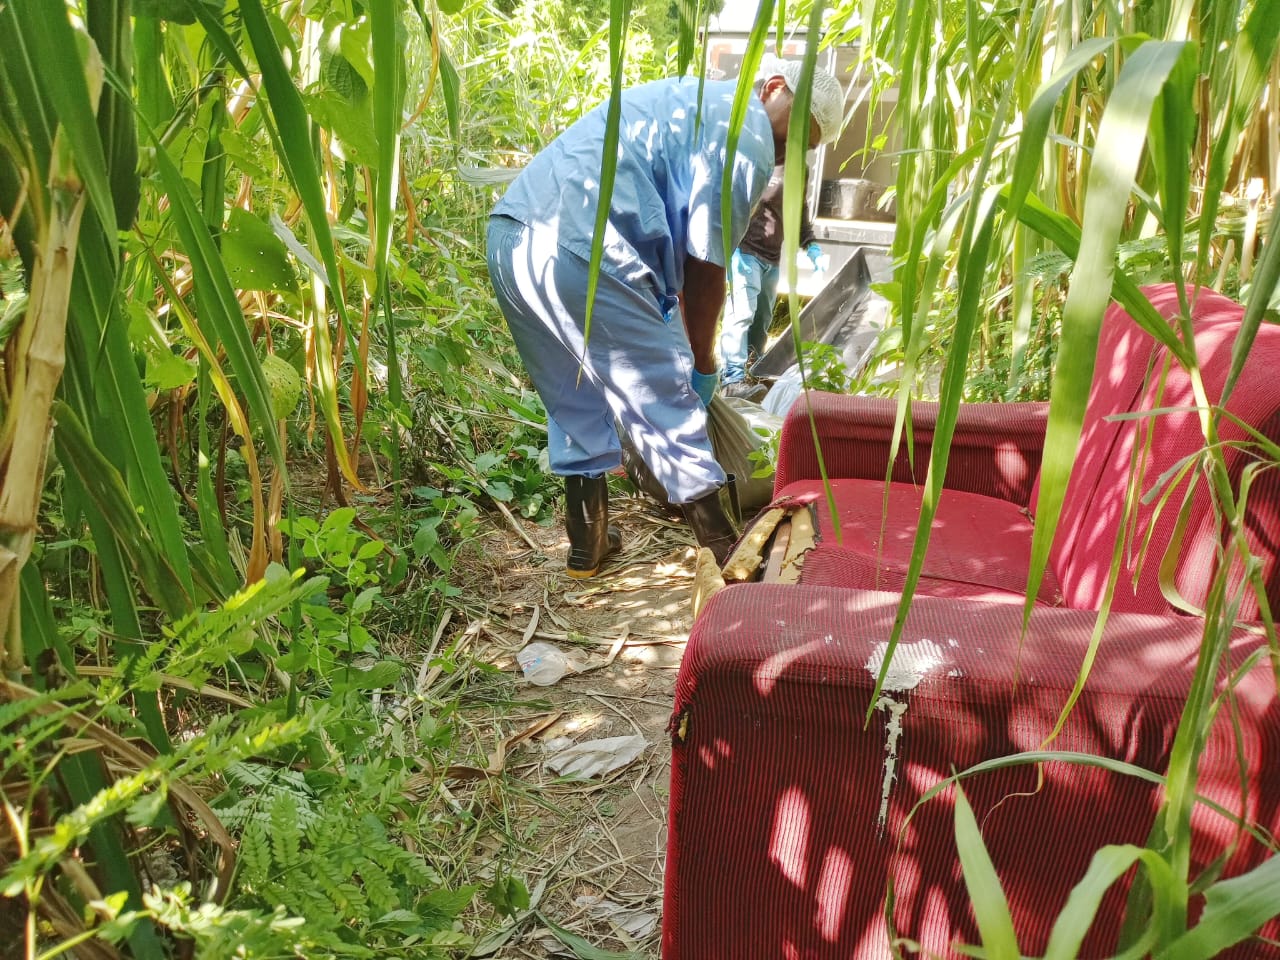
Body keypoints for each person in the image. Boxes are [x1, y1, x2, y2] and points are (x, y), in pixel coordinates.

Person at [485, 65, 844, 578]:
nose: (783, 154)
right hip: (585, 247)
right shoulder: (747, 132)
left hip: (513, 239)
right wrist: (701, 363)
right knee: (664, 402)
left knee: (575, 394)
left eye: (797, 150)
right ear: (773, 87)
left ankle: (587, 545)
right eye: (789, 136)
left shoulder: (689, 103)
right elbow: (707, 267)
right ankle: (728, 554)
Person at [720, 148, 824, 390]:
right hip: (746, 251)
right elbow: (734, 200)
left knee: (761, 321)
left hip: (772, 259)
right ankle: (732, 379)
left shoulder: (801, 168)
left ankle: (751, 374)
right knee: (741, 314)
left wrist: (811, 245)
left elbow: (799, 211)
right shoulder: (764, 156)